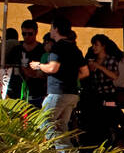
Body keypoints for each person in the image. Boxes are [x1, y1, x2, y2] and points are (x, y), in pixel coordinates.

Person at [30, 16, 86, 144]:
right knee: (61, 128)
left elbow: (53, 68)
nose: (50, 30)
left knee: (44, 124)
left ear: (56, 29)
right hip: (72, 94)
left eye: (51, 27)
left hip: (58, 92)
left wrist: (38, 65)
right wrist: (69, 78)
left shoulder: (58, 47)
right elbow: (85, 72)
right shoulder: (75, 49)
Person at [12, 19, 47, 106]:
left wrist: (35, 73)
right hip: (18, 92)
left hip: (37, 92)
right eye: (24, 34)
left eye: (30, 34)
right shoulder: (16, 49)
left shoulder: (42, 50)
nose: (27, 36)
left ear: (36, 32)